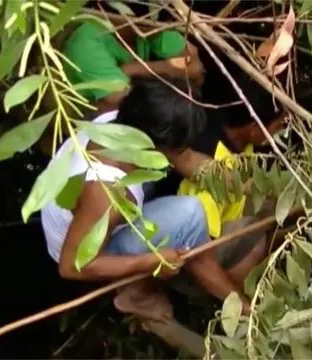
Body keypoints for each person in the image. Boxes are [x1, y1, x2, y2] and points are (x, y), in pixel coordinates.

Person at [41, 76, 260, 321]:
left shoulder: (133, 120)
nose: (181, 151)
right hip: (85, 246)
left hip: (94, 213)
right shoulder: (106, 192)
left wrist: (250, 184)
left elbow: (188, 161)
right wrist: (148, 262)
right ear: (156, 145)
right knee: (190, 215)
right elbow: (71, 266)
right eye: (176, 148)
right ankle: (136, 294)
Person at [174, 71, 288, 241]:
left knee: (275, 204)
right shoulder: (211, 166)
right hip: (198, 241)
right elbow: (199, 243)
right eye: (279, 125)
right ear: (254, 128)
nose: (283, 132)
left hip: (231, 214)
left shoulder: (239, 143)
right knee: (254, 237)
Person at [61, 18, 204, 113]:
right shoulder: (86, 44)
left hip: (132, 103)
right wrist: (168, 69)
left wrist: (135, 69)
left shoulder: (151, 22)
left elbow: (196, 71)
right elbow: (120, 104)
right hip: (85, 118)